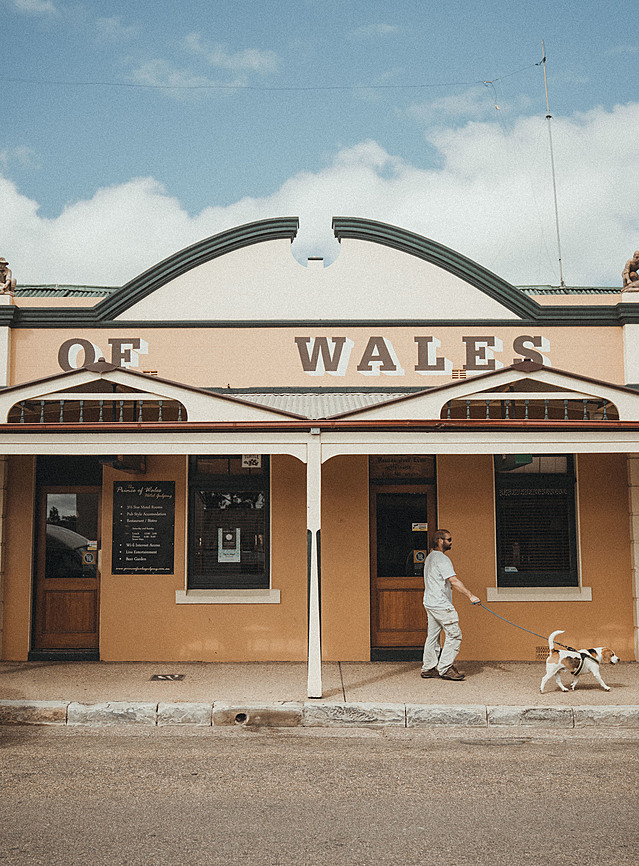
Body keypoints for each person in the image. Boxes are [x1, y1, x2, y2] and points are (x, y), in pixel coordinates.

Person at [421, 528, 480, 681]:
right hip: (441, 604)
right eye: (449, 539)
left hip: (430, 602)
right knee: (454, 635)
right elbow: (453, 580)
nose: (451, 542)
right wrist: (471, 595)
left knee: (433, 636)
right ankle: (445, 668)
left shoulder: (429, 558)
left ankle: (428, 667)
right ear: (440, 541)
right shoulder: (442, 559)